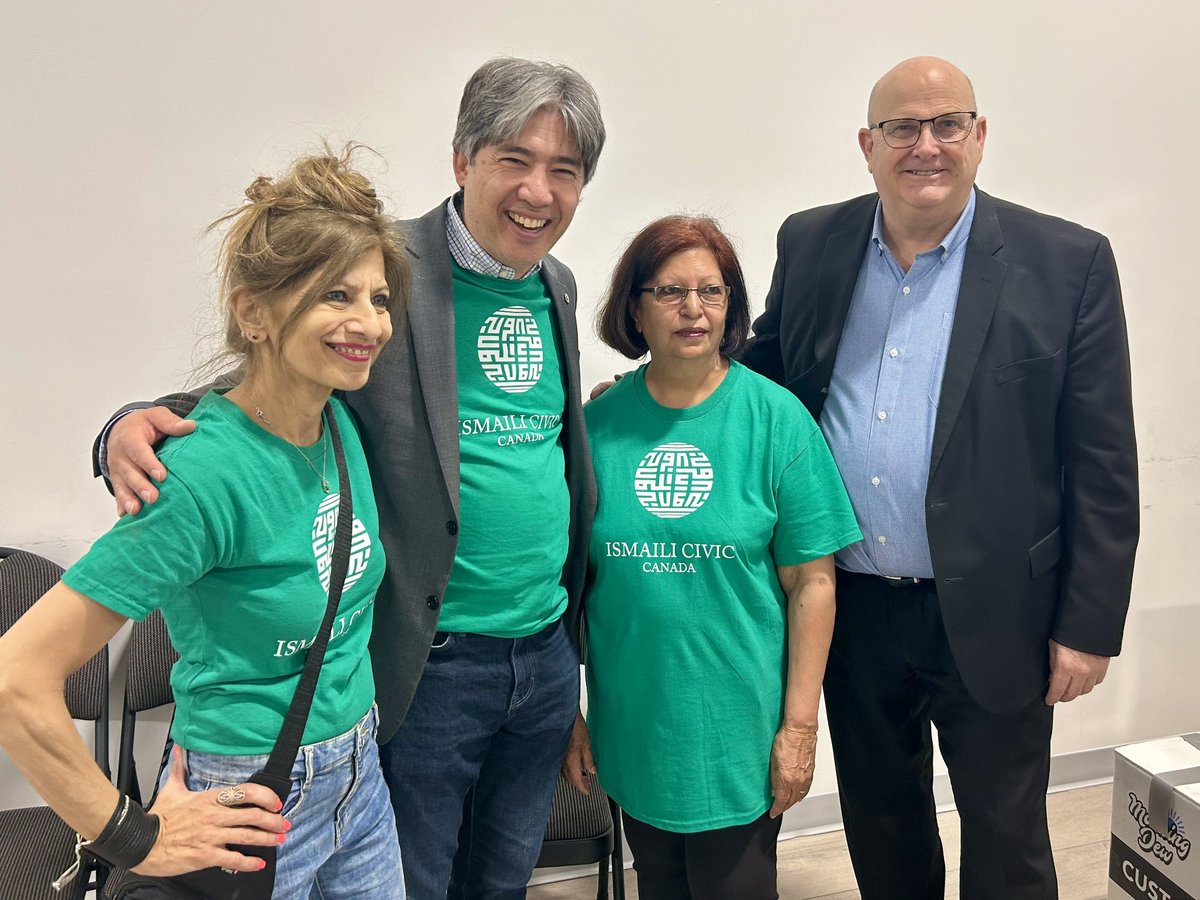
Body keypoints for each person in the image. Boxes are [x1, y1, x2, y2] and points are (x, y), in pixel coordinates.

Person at [92, 57, 605, 899]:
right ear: (462, 160)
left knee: (506, 875)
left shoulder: (557, 283)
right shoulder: (387, 266)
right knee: (419, 878)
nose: (538, 192)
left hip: (545, 654)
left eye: (565, 171)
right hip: (430, 657)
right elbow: (266, 378)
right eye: (515, 159)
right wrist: (125, 425)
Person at [739, 57, 1139, 899]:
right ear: (868, 145)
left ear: (980, 136)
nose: (926, 146)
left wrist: (1090, 623)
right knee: (883, 829)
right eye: (902, 129)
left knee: (1006, 839)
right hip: (851, 607)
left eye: (947, 124)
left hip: (1000, 613)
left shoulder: (1067, 262)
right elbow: (762, 378)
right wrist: (659, 394)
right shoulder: (810, 242)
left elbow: (1103, 462)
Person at [0, 146, 409, 897]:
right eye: (335, 296)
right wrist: (134, 837)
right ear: (253, 311)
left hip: (361, 782)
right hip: (250, 795)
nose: (369, 323)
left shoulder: (339, 422)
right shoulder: (199, 477)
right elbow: (15, 679)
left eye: (377, 298)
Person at [564, 216, 861, 899]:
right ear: (634, 308)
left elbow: (814, 584)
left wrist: (799, 728)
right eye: (670, 291)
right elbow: (571, 588)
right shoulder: (597, 429)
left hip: (740, 740)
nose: (693, 309)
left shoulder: (777, 420)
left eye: (712, 291)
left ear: (732, 306)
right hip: (636, 732)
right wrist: (568, 716)